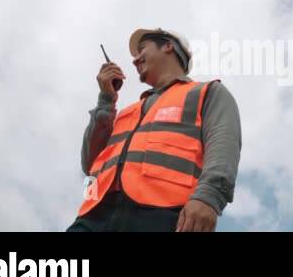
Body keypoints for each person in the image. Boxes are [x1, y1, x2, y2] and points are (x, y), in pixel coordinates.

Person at [66, 28, 242, 232]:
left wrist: (209, 196)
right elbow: (90, 164)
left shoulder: (205, 92)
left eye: (141, 50)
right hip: (93, 217)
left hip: (163, 216)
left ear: (168, 46)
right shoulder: (126, 113)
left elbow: (223, 142)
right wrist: (106, 100)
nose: (134, 60)